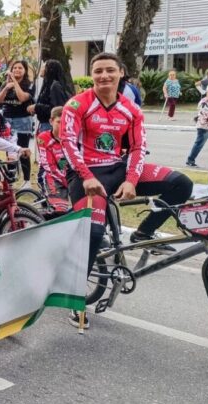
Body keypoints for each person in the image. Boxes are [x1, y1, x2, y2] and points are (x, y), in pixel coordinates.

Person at [61, 52, 193, 328]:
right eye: (98, 71)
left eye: (110, 70)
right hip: (85, 174)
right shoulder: (76, 104)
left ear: (122, 73)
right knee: (93, 234)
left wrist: (132, 180)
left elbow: (136, 148)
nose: (103, 76)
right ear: (92, 75)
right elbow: (68, 143)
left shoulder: (131, 109)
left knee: (181, 184)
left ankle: (144, 230)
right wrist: (85, 176)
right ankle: (74, 300)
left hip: (118, 169)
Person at [0, 60, 35, 188]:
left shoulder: (29, 84)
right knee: (10, 151)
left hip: (23, 120)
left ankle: (27, 181)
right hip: (8, 120)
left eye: (20, 68)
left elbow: (22, 98)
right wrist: (7, 87)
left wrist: (15, 82)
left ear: (25, 70)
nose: (17, 70)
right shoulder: (5, 84)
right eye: (14, 68)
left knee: (23, 150)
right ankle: (11, 179)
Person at [36, 106, 70, 215]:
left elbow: (65, 162)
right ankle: (39, 219)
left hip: (64, 173)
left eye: (65, 122)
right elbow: (49, 166)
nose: (62, 126)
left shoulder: (71, 137)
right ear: (51, 121)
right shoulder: (43, 137)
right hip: (48, 174)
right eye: (58, 122)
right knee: (60, 210)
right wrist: (65, 180)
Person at [29, 59, 71, 133]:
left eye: (43, 67)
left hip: (50, 126)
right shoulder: (47, 85)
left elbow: (57, 109)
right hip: (44, 124)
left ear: (50, 69)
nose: (41, 69)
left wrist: (37, 107)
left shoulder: (55, 86)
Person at [187, 85, 208, 167]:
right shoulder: (204, 102)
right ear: (207, 92)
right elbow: (207, 115)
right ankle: (190, 160)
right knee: (199, 144)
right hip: (205, 128)